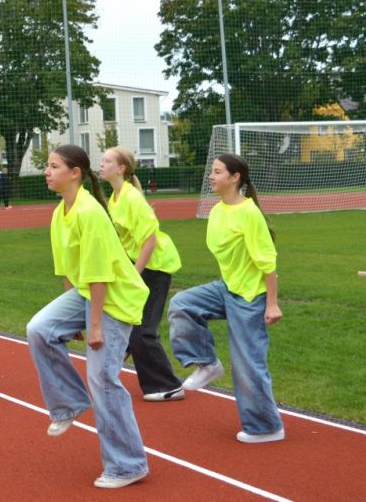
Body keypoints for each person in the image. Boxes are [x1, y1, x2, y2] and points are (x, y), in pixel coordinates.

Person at [25, 145, 149, 489]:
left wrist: (92, 324)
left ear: (75, 172)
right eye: (47, 166)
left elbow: (99, 275)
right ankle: (67, 404)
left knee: (103, 379)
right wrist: (74, 318)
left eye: (53, 166)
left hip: (113, 300)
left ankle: (128, 464)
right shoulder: (60, 212)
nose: (47, 172)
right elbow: (69, 271)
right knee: (40, 328)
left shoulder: (90, 213)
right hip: (86, 294)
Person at [168, 153, 284, 444]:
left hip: (250, 296)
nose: (211, 176)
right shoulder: (217, 210)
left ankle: (266, 427)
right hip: (227, 288)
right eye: (212, 171)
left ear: (235, 178)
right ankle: (206, 363)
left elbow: (268, 263)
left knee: (247, 363)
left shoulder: (249, 213)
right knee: (182, 303)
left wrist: (271, 303)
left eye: (217, 172)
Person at [100, 147, 184, 402]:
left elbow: (149, 240)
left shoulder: (132, 198)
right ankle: (121, 356)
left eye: (106, 161)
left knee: (143, 329)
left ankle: (168, 385)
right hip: (139, 267)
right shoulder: (116, 197)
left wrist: (135, 275)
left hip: (154, 267)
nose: (100, 164)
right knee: (129, 323)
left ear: (121, 168)